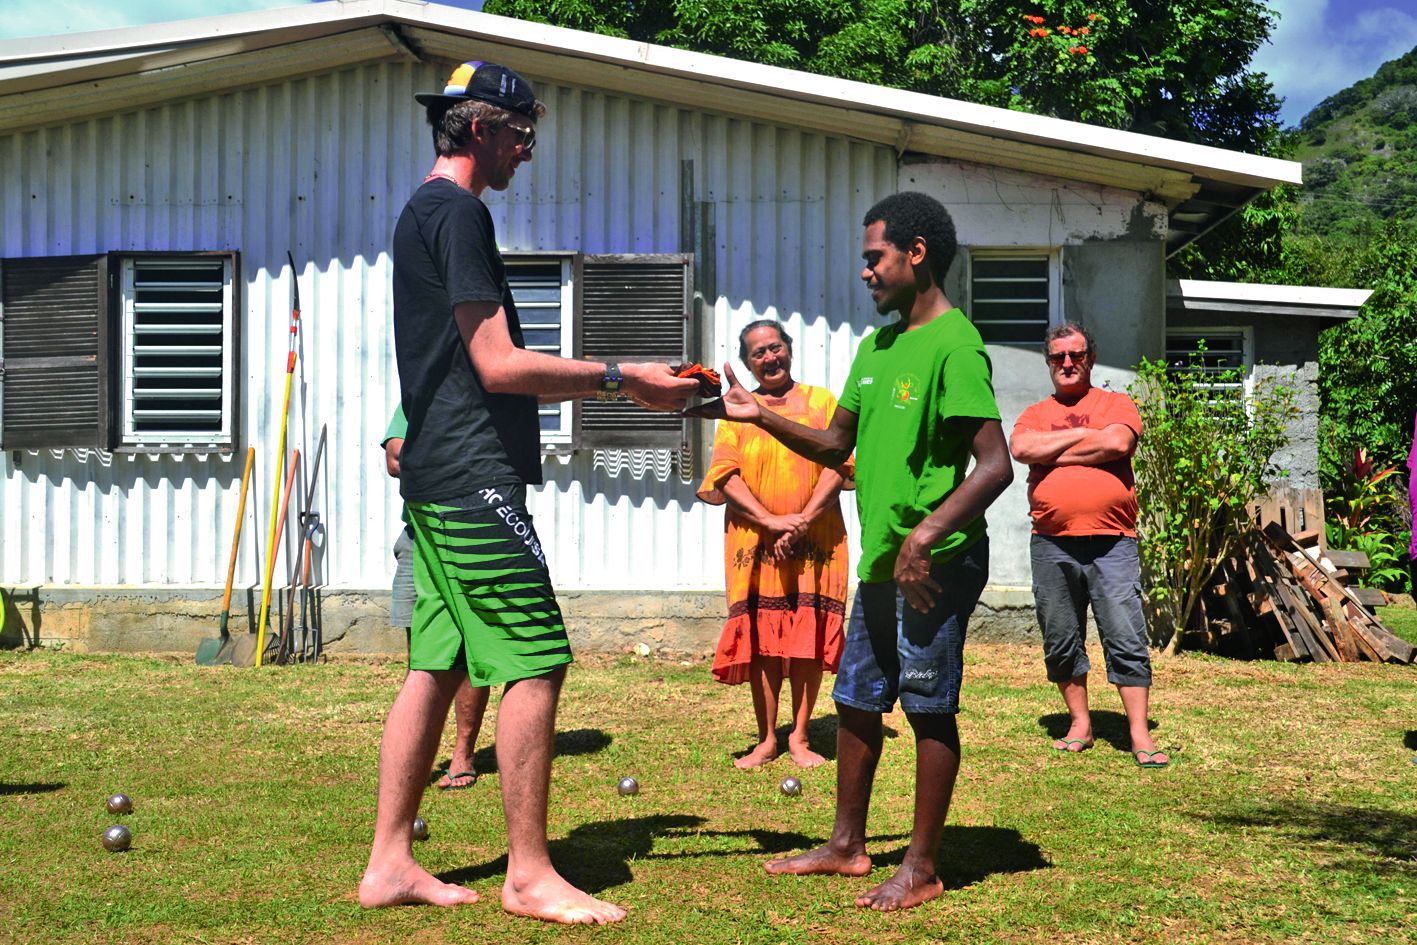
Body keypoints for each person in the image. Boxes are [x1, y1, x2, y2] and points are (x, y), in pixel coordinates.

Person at [357, 61, 699, 924]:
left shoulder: (421, 212)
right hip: (472, 474)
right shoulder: (459, 213)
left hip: (439, 472)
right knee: (536, 659)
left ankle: (390, 861)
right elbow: (498, 365)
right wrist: (627, 379)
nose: (527, 152)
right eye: (521, 135)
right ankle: (529, 873)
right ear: (478, 129)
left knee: (434, 664)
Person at [690, 191, 1014, 912]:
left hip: (937, 560)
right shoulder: (877, 347)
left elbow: (995, 464)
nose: (865, 272)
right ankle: (846, 845)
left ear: (914, 252)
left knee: (928, 705)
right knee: (857, 699)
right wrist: (758, 413)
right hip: (880, 560)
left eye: (873, 258)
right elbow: (837, 443)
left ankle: (923, 866)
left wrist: (925, 536)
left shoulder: (955, 344)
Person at [1008, 323, 1169, 768]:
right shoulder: (1035, 412)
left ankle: (1139, 732)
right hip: (1051, 544)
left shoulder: (1116, 404)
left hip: (1112, 542)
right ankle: (1080, 722)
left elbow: (1118, 441)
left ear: (1090, 359)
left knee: (1125, 635)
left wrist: (1053, 450)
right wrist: (1087, 441)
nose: (1067, 363)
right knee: (1060, 636)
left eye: (1075, 355)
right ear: (1048, 361)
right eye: (1058, 356)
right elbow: (1021, 447)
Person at [697, 320, 852, 770]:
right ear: (747, 363)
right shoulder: (736, 411)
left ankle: (800, 737)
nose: (770, 358)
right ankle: (767, 739)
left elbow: (840, 462)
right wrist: (770, 522)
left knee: (806, 637)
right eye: (758, 353)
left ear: (790, 349)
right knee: (763, 641)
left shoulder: (822, 402)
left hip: (816, 535)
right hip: (755, 539)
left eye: (775, 347)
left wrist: (801, 522)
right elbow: (724, 474)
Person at [383, 404, 488, 791]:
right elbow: (396, 459)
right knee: (423, 661)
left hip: (471, 536)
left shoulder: (484, 396)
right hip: (418, 537)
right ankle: (417, 760)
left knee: (469, 654)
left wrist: (430, 453)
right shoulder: (420, 395)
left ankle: (463, 756)